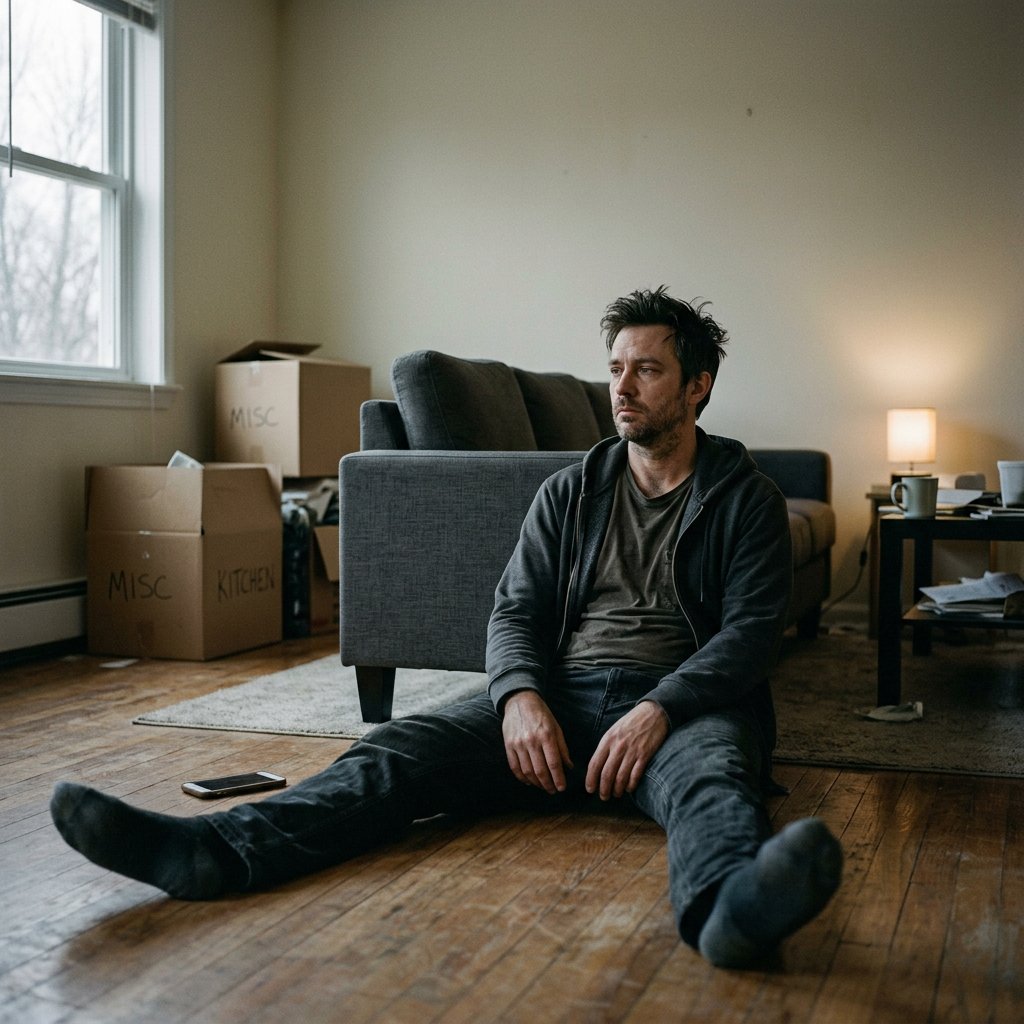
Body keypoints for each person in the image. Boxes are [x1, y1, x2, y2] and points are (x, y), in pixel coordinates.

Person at [50, 286, 841, 969]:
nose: (622, 387)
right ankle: (210, 852)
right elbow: (515, 611)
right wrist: (519, 696)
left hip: (678, 709)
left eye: (647, 369)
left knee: (713, 784)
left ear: (698, 386)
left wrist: (659, 708)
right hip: (561, 696)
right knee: (397, 750)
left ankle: (729, 913)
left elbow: (749, 638)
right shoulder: (571, 491)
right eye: (615, 368)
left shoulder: (746, 498)